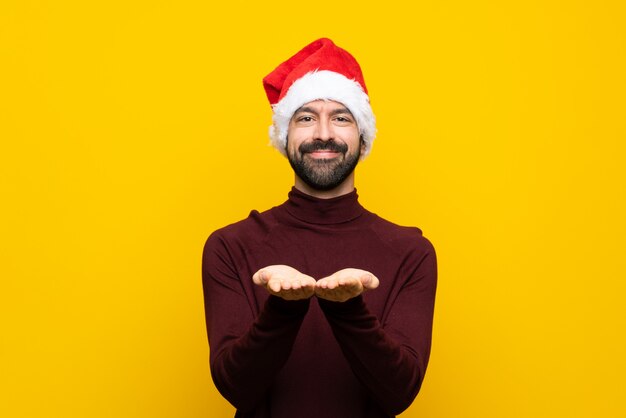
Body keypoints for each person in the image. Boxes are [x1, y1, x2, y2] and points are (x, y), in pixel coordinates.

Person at [202, 38, 437, 418]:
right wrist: (282, 308)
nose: (323, 134)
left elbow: (399, 393)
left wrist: (347, 309)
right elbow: (236, 388)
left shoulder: (410, 252)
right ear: (284, 137)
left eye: (342, 117)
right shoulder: (230, 246)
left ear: (363, 140)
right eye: (306, 117)